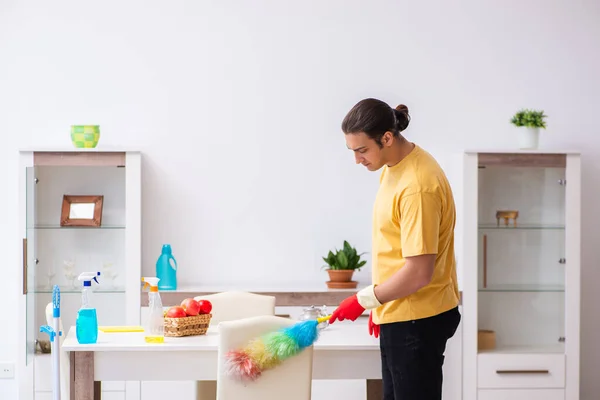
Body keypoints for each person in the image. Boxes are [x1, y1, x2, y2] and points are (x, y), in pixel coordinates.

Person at [328, 98, 461, 400]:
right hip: (400, 311)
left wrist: (365, 301)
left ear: (387, 138)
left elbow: (418, 272)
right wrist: (383, 307)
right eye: (353, 151)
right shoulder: (394, 166)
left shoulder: (417, 186)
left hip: (417, 319)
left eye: (362, 150)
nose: (357, 160)